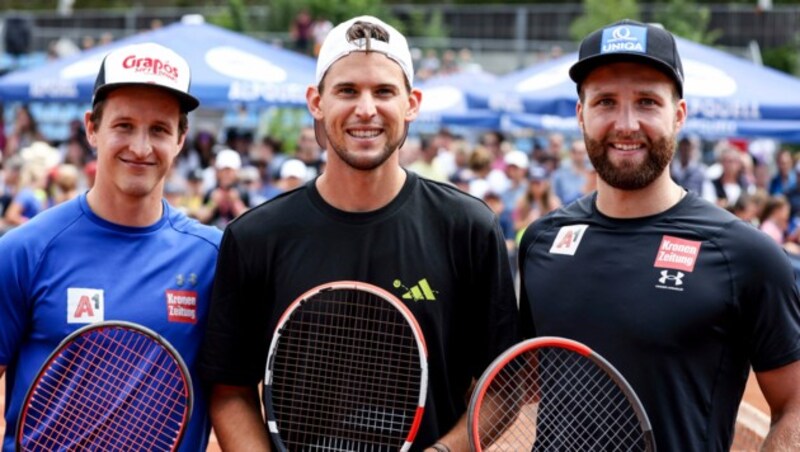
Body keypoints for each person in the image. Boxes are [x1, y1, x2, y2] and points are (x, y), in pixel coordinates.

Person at [199, 15, 518, 452]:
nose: (366, 109)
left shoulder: (469, 228)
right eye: (347, 90)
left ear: (412, 103)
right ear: (316, 101)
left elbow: (501, 387)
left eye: (384, 91)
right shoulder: (255, 236)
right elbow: (231, 390)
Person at [518, 19, 800, 450]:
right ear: (581, 115)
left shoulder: (746, 254)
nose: (626, 124)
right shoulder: (541, 242)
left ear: (679, 115)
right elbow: (520, 384)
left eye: (647, 102)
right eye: (606, 102)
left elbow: (794, 404)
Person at [0, 42, 222, 452]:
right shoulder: (24, 250)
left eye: (159, 129)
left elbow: (235, 394)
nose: (140, 147)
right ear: (91, 128)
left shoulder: (214, 258)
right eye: (123, 125)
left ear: (181, 139)